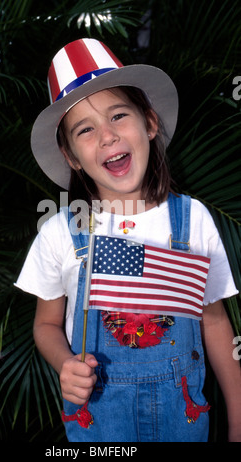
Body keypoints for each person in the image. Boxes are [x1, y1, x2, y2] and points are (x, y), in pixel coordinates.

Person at [15, 38, 241, 442]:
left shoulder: (194, 221)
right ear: (70, 155)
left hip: (183, 422)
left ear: (149, 123)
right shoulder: (58, 232)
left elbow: (216, 322)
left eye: (118, 115)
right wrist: (65, 362)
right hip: (98, 429)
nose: (106, 136)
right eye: (85, 129)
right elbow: (46, 324)